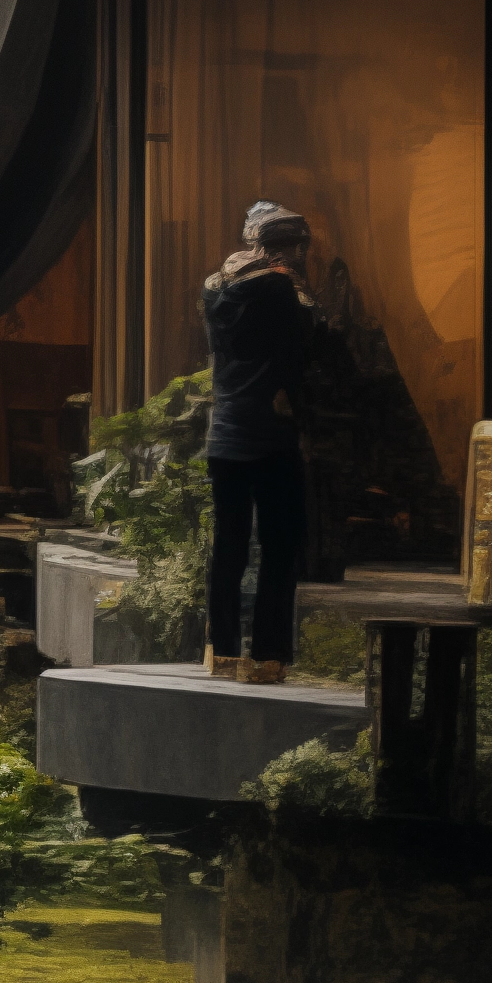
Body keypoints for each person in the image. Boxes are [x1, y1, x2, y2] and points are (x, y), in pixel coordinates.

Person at [204, 201, 322, 684]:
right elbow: (302, 355)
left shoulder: (216, 290)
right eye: (298, 245)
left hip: (226, 431)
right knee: (279, 547)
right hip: (272, 435)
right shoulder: (284, 291)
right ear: (288, 245)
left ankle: (222, 651)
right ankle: (268, 657)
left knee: (229, 546)